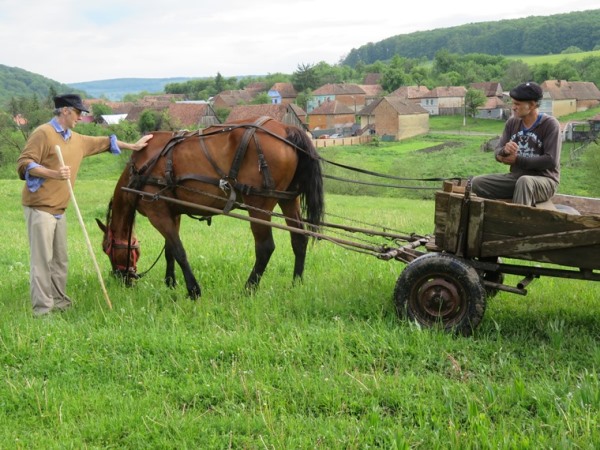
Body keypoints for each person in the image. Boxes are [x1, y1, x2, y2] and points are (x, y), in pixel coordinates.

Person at [17, 94, 153, 316]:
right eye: (78, 112)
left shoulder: (76, 139)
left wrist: (133, 146)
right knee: (42, 262)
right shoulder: (43, 133)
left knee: (60, 261)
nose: (80, 117)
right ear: (65, 111)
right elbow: (24, 164)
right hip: (40, 208)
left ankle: (60, 302)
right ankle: (42, 311)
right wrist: (53, 173)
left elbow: (105, 143)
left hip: (60, 210)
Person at [471, 81, 561, 206]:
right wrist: (504, 152)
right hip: (516, 178)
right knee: (477, 183)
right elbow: (498, 151)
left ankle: (517, 222)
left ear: (532, 105)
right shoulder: (512, 123)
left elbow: (551, 161)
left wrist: (518, 160)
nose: (513, 107)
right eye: (513, 103)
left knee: (524, 182)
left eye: (517, 104)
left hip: (545, 181)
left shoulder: (550, 124)